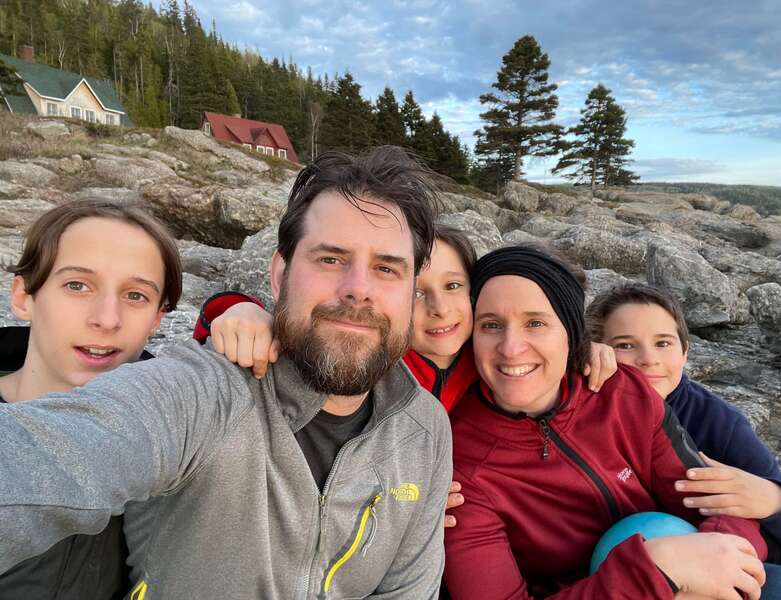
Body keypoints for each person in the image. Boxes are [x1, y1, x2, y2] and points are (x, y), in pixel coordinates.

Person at [0, 147, 453, 599]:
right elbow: (59, 452)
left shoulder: (425, 429)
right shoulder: (208, 389)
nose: (358, 289)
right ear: (279, 275)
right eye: (330, 259)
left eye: (387, 268)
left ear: (412, 291)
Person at [196, 232, 618, 528]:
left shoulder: (489, 360)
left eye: (454, 286)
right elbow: (303, 330)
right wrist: (235, 309)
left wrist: (584, 352)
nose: (439, 307)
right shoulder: (374, 359)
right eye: (418, 291)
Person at [442, 245, 767, 599]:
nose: (510, 347)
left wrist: (724, 554)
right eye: (491, 325)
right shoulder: (461, 461)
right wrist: (657, 571)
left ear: (570, 332)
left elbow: (715, 499)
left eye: (535, 323)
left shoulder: (623, 393)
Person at [0, 199, 181, 600]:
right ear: (24, 296)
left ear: (157, 319)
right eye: (77, 285)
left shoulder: (172, 437)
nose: (107, 318)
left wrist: (239, 311)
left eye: (135, 295)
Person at [586, 282, 781, 597]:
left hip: (731, 565)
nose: (648, 359)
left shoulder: (720, 424)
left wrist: (777, 501)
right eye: (625, 345)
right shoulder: (576, 408)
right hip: (617, 575)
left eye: (663, 343)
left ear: (685, 353)